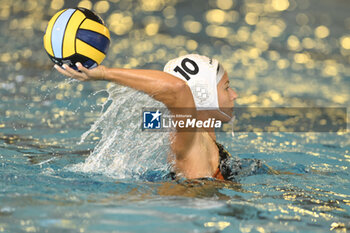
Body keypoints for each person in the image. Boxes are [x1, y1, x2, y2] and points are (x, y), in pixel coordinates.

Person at [55, 54, 246, 181]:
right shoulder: (191, 135)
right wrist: (105, 73)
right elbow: (177, 88)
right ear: (205, 94)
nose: (234, 94)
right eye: (226, 87)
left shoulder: (198, 134)